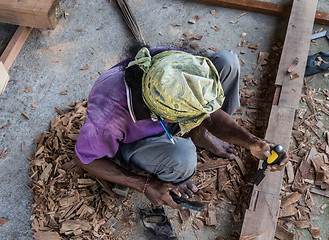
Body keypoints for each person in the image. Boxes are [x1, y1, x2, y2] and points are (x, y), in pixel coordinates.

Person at [73, 46, 288, 210]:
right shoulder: (109, 118)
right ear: (160, 114)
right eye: (193, 118)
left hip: (167, 114)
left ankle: (199, 133)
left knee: (227, 62)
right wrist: (144, 184)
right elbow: (86, 159)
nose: (205, 117)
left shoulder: (168, 62)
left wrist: (253, 142)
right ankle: (178, 151)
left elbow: (208, 113)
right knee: (183, 158)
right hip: (135, 140)